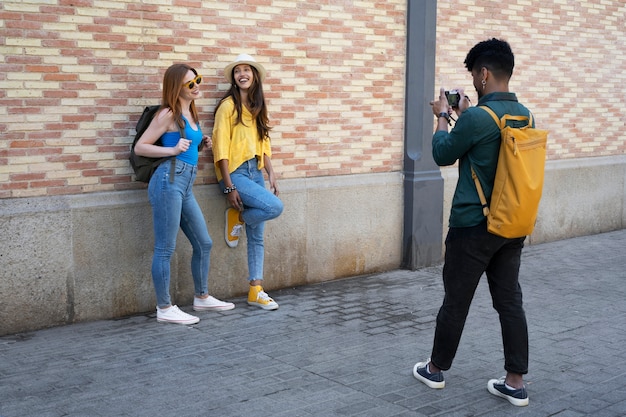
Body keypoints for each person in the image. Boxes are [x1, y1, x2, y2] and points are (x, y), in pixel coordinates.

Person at [412, 38, 533, 407]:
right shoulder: (524, 115)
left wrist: (440, 118)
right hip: (510, 223)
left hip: (473, 226)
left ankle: (435, 369)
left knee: (457, 301)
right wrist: (464, 114)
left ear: (483, 74)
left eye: (474, 75)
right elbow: (489, 146)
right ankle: (515, 381)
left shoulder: (479, 117)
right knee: (510, 301)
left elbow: (443, 153)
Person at [134, 63, 235, 325]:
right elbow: (141, 147)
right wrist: (173, 150)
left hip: (185, 184)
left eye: (198, 80)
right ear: (176, 87)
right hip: (168, 182)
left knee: (204, 242)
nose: (197, 86)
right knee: (165, 248)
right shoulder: (167, 114)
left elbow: (185, 147)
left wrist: (200, 144)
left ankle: (201, 297)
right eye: (191, 83)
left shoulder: (190, 112)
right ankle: (165, 308)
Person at [212, 53, 284, 311]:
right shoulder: (228, 107)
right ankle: (239, 218)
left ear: (254, 76)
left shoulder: (258, 106)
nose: (242, 74)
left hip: (255, 172)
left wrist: (270, 171)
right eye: (237, 71)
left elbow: (264, 142)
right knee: (274, 207)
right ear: (234, 78)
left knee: (258, 236)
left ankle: (256, 289)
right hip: (236, 174)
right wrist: (229, 185)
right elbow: (220, 148)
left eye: (247, 70)